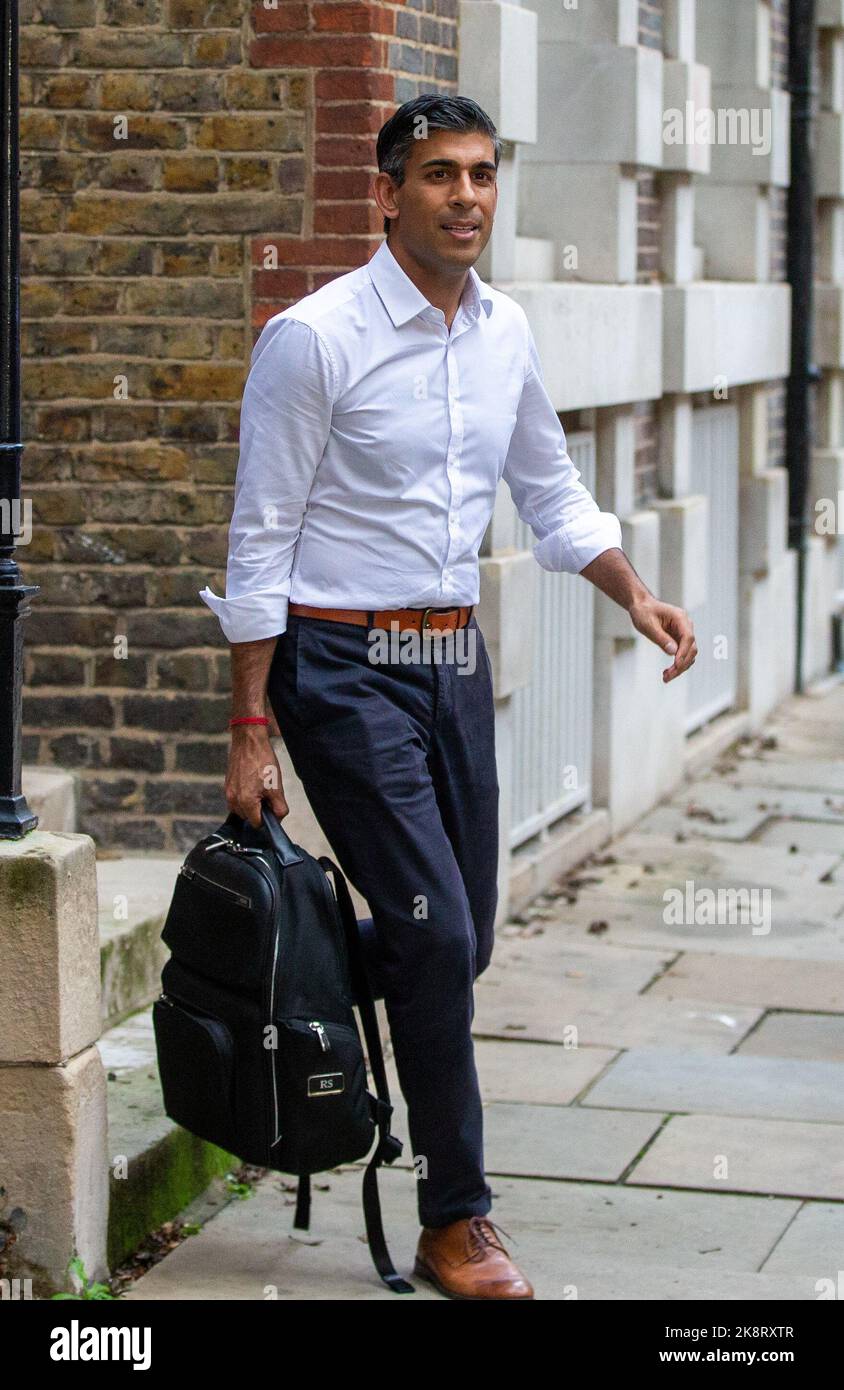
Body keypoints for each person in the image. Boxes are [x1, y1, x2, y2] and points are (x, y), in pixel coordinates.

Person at [199, 94, 697, 1301]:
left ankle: (280, 982)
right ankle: (456, 1218)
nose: (466, 195)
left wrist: (631, 589)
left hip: (448, 657)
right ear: (387, 193)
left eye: (479, 173)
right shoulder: (312, 340)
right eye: (437, 175)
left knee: (454, 936)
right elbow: (258, 541)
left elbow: (551, 489)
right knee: (434, 934)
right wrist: (251, 729)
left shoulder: (504, 331)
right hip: (338, 662)